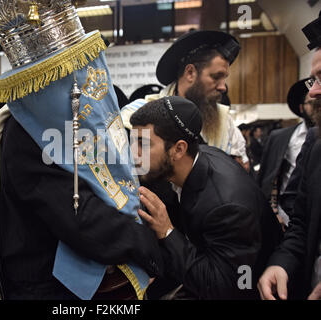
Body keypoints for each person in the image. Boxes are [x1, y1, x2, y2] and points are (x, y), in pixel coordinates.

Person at [0, 0, 162, 300]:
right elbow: (78, 216)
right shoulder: (26, 133)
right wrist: (150, 243)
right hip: (47, 289)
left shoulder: (59, 122)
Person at [130, 96, 282, 299]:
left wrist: (167, 232)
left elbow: (226, 286)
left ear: (178, 149)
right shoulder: (195, 160)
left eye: (144, 144)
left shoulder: (227, 207)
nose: (134, 153)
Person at [258, 12, 321, 300]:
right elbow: (302, 223)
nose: (314, 92)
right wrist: (280, 264)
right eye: (313, 80)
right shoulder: (316, 144)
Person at [138, 30, 249, 169]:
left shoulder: (226, 124)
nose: (223, 87)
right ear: (190, 73)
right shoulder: (139, 116)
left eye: (224, 78)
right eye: (216, 77)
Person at [257, 79, 315, 228]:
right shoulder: (282, 137)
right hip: (285, 216)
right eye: (312, 103)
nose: (317, 108)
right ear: (301, 108)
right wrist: (273, 211)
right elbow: (268, 176)